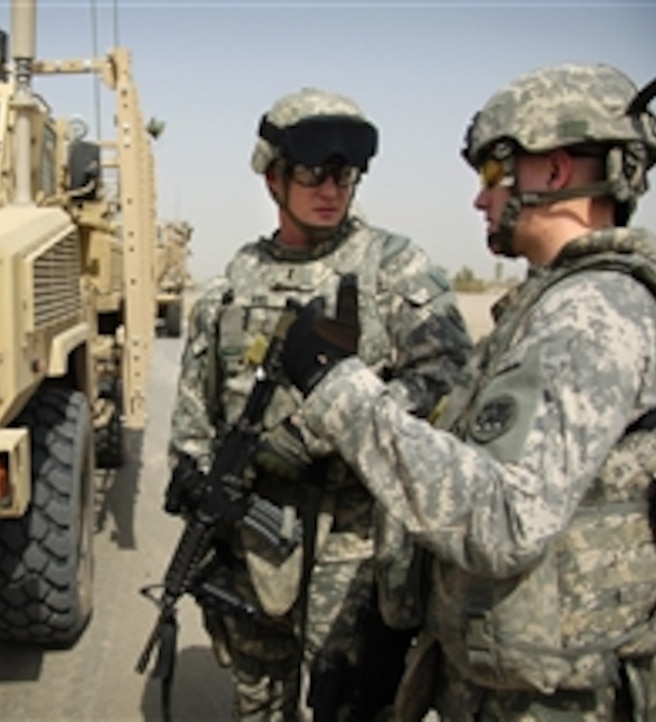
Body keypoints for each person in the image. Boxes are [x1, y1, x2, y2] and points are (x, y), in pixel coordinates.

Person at [271, 63, 656, 720]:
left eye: (493, 174)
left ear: (553, 171)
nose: (480, 199)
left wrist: (337, 389)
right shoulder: (552, 304)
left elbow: (501, 519)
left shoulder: (593, 315)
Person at [164, 87, 473, 721]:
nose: (331, 188)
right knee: (257, 696)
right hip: (252, 541)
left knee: (351, 702)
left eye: (345, 173)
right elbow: (197, 405)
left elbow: (447, 382)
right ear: (274, 177)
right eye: (312, 172)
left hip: (356, 545)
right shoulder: (234, 281)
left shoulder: (397, 269)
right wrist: (198, 478)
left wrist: (322, 432)